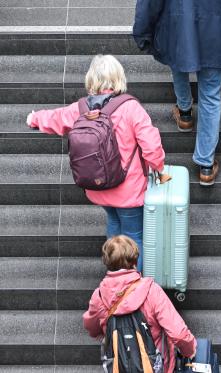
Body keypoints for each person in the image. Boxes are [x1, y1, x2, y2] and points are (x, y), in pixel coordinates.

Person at [27, 55, 169, 269]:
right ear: (119, 77)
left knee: (113, 227)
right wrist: (159, 169)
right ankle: (130, 290)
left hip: (98, 186)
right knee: (133, 238)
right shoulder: (130, 108)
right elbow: (151, 145)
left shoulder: (82, 108)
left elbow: (56, 118)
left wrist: (34, 118)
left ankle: (113, 278)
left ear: (91, 79)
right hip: (128, 190)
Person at [133, 0, 221, 186]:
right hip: (217, 25)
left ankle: (184, 113)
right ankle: (206, 165)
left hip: (178, 20)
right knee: (211, 95)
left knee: (178, 59)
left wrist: (142, 30)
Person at [83, 235, 196, 372]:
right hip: (155, 367)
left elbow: (91, 328)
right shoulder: (151, 290)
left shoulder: (99, 295)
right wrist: (190, 350)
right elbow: (178, 334)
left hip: (119, 366)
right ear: (135, 260)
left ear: (107, 262)